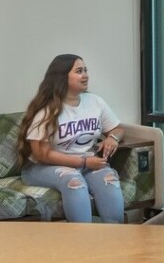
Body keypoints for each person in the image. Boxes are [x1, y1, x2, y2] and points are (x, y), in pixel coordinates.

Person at [16, 54, 126, 224]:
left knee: (109, 180)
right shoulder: (46, 109)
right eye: (79, 71)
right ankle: (80, 243)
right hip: (43, 167)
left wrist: (112, 138)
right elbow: (41, 154)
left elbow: (117, 129)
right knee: (74, 182)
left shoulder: (95, 101)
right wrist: (83, 162)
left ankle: (115, 241)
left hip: (87, 164)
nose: (85, 75)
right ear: (62, 77)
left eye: (86, 70)